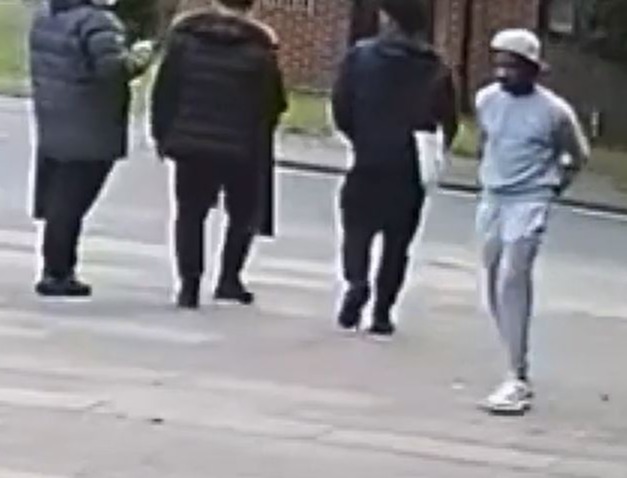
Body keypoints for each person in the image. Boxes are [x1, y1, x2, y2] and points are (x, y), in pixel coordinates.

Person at [476, 29, 590, 414]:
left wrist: (554, 187)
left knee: (513, 275)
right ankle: (511, 351)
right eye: (500, 64)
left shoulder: (554, 112)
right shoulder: (487, 100)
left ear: (532, 69)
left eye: (513, 65)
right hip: (493, 197)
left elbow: (577, 155)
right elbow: (486, 142)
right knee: (492, 277)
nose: (504, 73)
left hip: (530, 199)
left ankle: (516, 376)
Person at [332, 0, 458, 336]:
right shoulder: (435, 67)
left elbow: (341, 106)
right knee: (397, 244)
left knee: (356, 230)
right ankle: (383, 312)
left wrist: (359, 136)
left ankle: (357, 281)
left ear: (388, 19)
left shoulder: (360, 57)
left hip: (369, 158)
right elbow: (449, 120)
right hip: (409, 165)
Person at [151, 0, 287, 309]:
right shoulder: (259, 50)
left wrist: (163, 134)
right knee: (242, 214)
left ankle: (189, 284)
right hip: (241, 147)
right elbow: (273, 103)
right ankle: (229, 278)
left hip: (190, 142)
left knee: (190, 213)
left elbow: (165, 91)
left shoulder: (185, 40)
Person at [30, 0, 154, 297]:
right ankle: (58, 272)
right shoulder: (97, 22)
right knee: (71, 204)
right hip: (90, 122)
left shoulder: (46, 16)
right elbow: (111, 70)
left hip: (55, 115)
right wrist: (139, 59)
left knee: (60, 200)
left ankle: (55, 267)